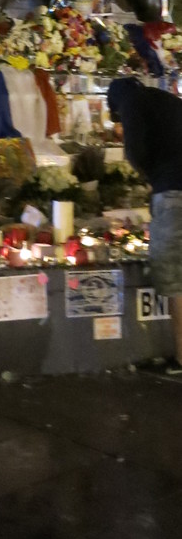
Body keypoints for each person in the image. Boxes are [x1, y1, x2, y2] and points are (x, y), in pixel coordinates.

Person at [107, 77, 182, 372]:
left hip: (174, 195)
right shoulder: (168, 101)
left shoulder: (132, 104)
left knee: (176, 277)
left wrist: (153, 179)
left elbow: (135, 151)